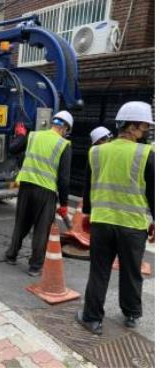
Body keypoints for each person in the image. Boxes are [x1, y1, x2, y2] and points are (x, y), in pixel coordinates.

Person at [76, 101, 155, 335]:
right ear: (132, 126)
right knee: (131, 272)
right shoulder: (146, 154)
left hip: (102, 222)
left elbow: (88, 188)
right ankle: (131, 313)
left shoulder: (96, 151)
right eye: (144, 127)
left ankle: (92, 318)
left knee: (99, 271)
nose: (145, 131)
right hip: (132, 227)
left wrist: (88, 214)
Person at [5, 111, 73, 276]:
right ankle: (35, 266)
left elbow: (12, 149)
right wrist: (64, 204)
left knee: (21, 222)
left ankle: (11, 255)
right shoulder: (64, 145)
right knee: (42, 229)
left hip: (26, 186)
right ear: (65, 129)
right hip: (46, 191)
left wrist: (20, 137)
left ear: (53, 123)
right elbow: (64, 179)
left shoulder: (33, 136)